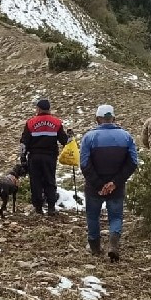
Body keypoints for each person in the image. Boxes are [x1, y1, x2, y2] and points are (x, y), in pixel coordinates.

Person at [80, 104, 138, 262]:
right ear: (113, 118)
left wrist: (99, 184)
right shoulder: (126, 136)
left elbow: (84, 164)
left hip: (93, 186)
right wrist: (115, 182)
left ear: (97, 119)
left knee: (92, 215)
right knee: (116, 216)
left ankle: (95, 247)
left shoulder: (89, 137)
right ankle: (113, 244)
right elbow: (133, 162)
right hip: (117, 187)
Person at [19, 98, 70, 215]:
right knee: (50, 180)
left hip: (34, 157)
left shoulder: (31, 122)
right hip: (50, 157)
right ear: (49, 109)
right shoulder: (56, 122)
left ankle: (38, 208)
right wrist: (70, 137)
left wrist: (22, 157)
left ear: (38, 109)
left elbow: (24, 142)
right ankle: (51, 207)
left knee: (35, 181)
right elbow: (64, 140)